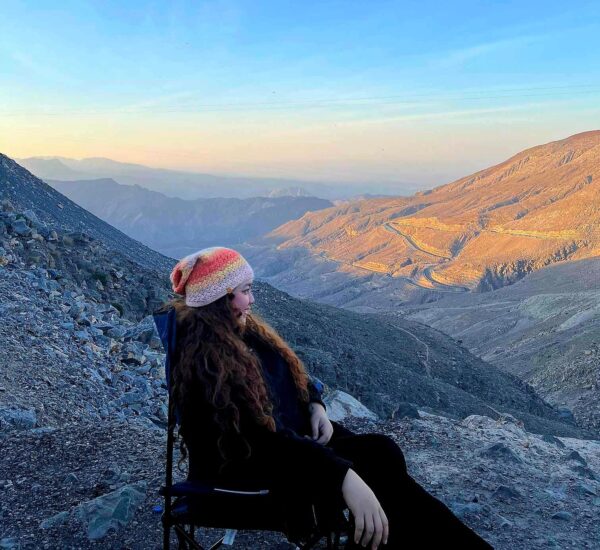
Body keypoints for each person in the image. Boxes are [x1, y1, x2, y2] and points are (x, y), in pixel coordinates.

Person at [164, 246, 494, 549]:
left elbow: (293, 379)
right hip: (252, 473)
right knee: (373, 470)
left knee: (382, 452)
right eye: (246, 292)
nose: (252, 301)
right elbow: (261, 441)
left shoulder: (241, 334)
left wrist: (314, 406)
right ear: (221, 299)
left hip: (289, 446)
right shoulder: (207, 364)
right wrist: (342, 475)